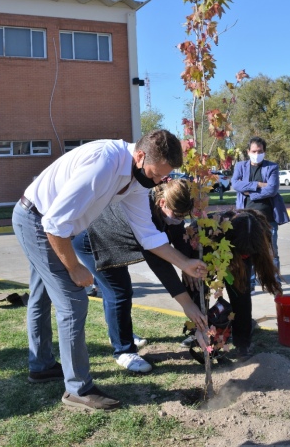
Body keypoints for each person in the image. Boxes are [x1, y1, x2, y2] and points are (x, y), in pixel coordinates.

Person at [12, 130, 208, 412]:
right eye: (155, 175)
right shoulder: (103, 165)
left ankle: (41, 367)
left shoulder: (137, 178)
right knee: (73, 301)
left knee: (42, 296)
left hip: (49, 222)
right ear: (140, 156)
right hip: (37, 221)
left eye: (162, 177)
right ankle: (78, 389)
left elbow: (147, 235)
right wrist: (74, 267)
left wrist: (184, 263)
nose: (157, 183)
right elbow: (54, 225)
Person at [72, 178, 204, 374]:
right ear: (162, 203)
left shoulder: (169, 206)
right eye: (177, 215)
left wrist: (187, 264)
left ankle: (118, 332)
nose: (179, 219)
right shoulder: (144, 213)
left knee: (116, 291)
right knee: (119, 292)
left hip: (113, 240)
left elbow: (175, 234)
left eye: (183, 216)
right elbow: (160, 263)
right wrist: (187, 304)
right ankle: (123, 350)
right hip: (93, 241)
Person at [181, 209, 282, 358]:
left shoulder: (259, 232)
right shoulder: (208, 225)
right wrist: (186, 266)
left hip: (237, 258)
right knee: (197, 290)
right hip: (205, 255)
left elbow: (262, 260)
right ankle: (200, 332)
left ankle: (243, 342)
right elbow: (186, 245)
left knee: (241, 295)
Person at [231, 136, 290, 293]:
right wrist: (257, 184)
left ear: (264, 151)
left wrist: (250, 193)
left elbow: (272, 189)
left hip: (268, 217)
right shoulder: (240, 166)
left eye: (260, 151)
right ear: (248, 151)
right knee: (246, 251)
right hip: (246, 218)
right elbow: (235, 184)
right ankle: (249, 283)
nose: (257, 154)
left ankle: (274, 282)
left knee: (272, 252)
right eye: (254, 151)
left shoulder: (272, 167)